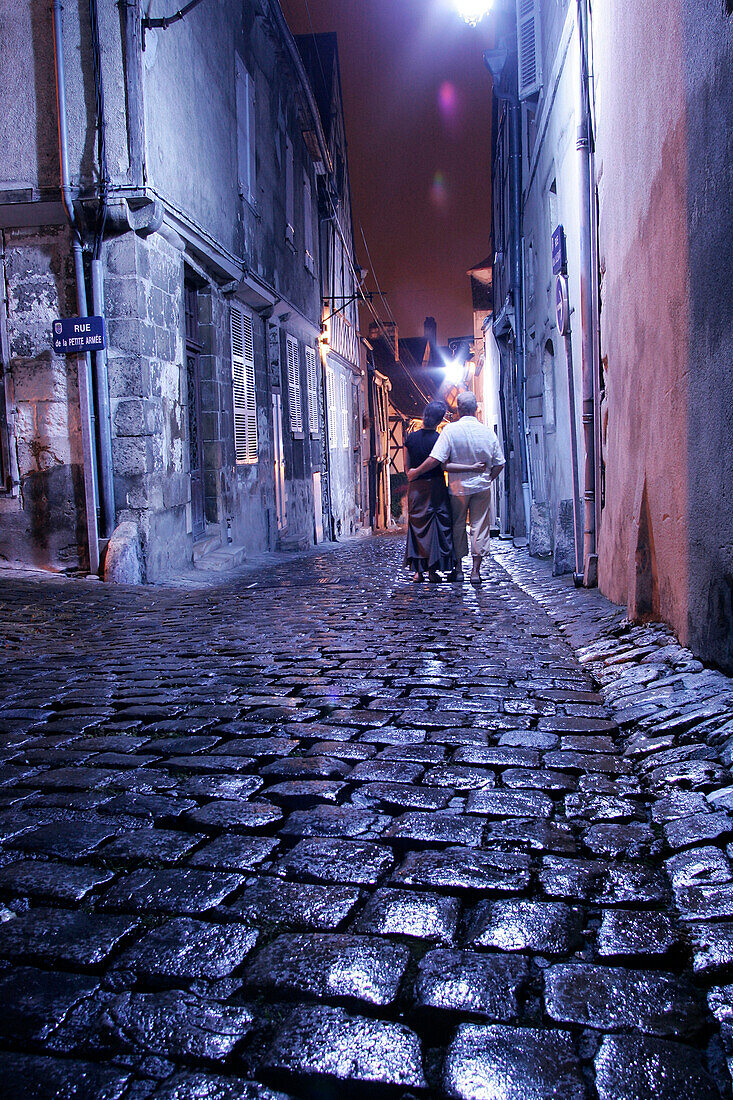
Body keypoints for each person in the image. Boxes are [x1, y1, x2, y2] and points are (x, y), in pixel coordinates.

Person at [407, 390, 505, 586]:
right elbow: (500, 463)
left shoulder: (450, 431)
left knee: (457, 526)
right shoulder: (487, 432)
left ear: (459, 410)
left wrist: (415, 472)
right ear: (476, 409)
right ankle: (475, 572)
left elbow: (440, 461)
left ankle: (458, 569)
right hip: (481, 486)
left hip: (457, 487)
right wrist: (488, 478)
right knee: (479, 527)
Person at [403, 402, 455, 582]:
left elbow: (407, 467)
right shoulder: (440, 439)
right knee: (436, 528)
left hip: (417, 488)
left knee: (417, 527)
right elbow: (443, 464)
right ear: (440, 419)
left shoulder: (410, 439)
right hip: (437, 487)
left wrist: (414, 473)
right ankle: (433, 571)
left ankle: (418, 572)